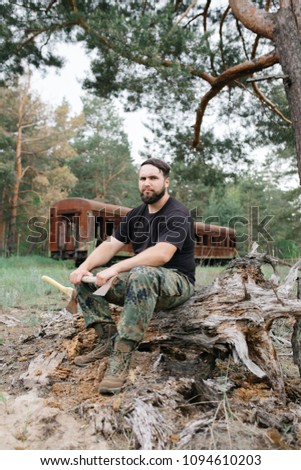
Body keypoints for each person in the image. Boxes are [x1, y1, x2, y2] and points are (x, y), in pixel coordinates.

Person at [69, 158, 196, 394]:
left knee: (141, 274)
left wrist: (117, 268)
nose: (147, 183)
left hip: (177, 283)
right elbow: (109, 246)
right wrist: (83, 267)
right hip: (142, 280)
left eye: (153, 178)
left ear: (166, 182)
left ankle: (122, 354)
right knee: (90, 279)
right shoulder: (135, 215)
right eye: (143, 178)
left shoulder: (178, 213)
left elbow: (162, 254)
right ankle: (107, 338)